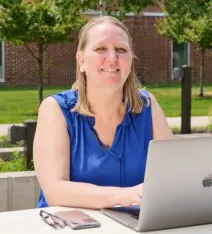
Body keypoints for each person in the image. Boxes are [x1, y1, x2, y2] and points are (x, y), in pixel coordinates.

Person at [33, 16, 175, 209]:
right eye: (101, 49)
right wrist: (124, 196)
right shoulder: (56, 109)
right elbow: (55, 191)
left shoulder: (147, 105)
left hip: (134, 228)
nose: (112, 58)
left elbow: (174, 174)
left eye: (121, 50)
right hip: (68, 230)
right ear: (81, 60)